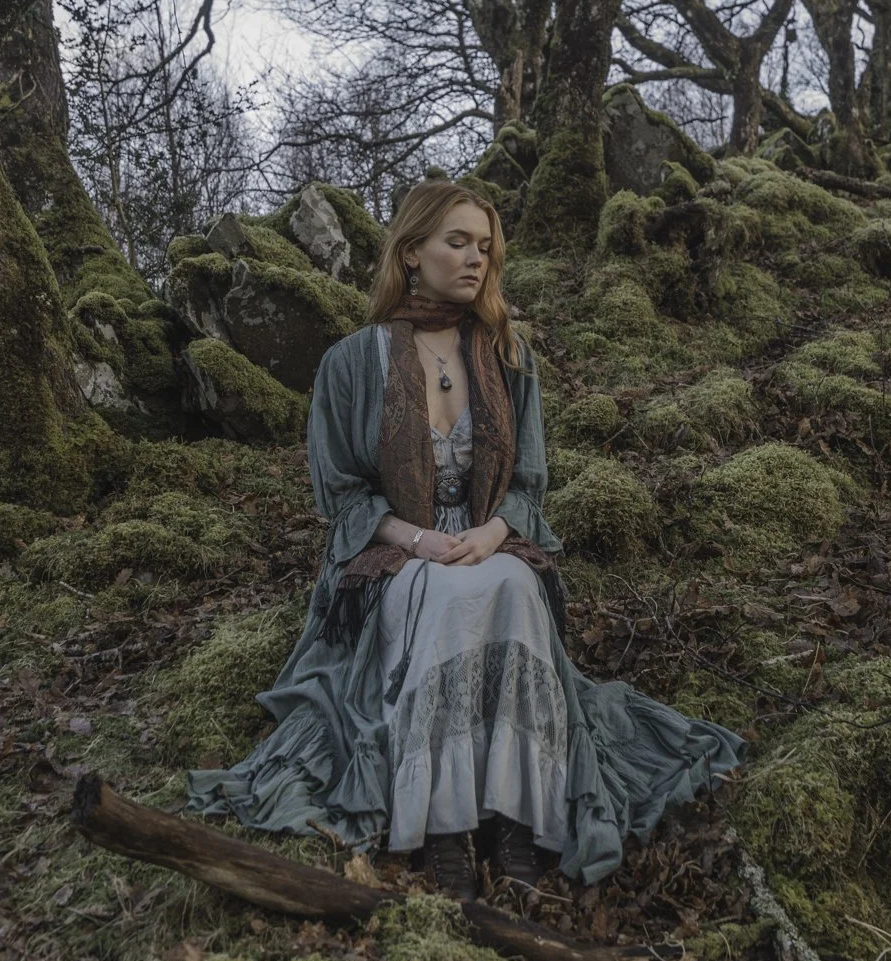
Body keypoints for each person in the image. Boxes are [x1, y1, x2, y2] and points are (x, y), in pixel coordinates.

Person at [185, 180, 745, 901]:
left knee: (512, 586)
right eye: (457, 242)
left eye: (485, 246)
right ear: (411, 252)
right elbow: (344, 498)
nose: (476, 259)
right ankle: (442, 827)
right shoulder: (353, 362)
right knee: (444, 596)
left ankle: (517, 818)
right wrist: (418, 540)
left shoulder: (507, 353)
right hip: (391, 555)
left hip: (490, 541)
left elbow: (530, 481)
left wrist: (491, 532)